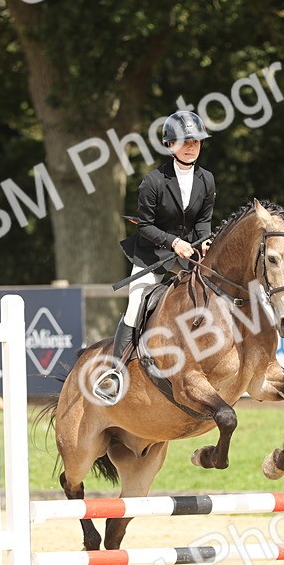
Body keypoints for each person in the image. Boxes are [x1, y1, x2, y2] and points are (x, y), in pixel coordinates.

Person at [92, 111, 216, 404]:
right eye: (185, 142)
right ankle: (115, 373)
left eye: (196, 141)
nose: (191, 147)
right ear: (170, 144)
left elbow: (203, 221)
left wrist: (205, 242)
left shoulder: (207, 179)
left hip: (189, 253)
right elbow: (145, 226)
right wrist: (174, 242)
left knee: (214, 294)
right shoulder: (153, 181)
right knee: (135, 304)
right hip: (153, 253)